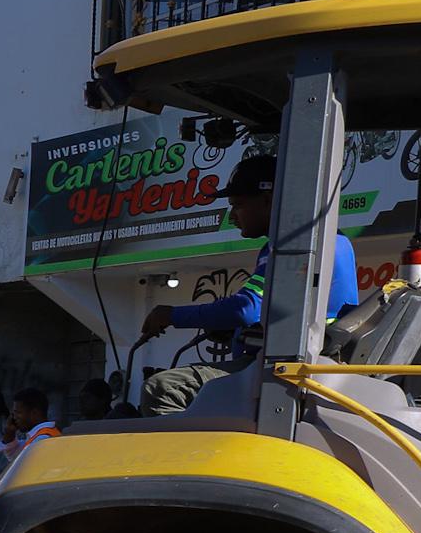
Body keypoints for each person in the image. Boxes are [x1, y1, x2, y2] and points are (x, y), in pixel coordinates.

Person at [137, 153, 359, 415]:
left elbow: (245, 309)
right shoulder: (330, 240)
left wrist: (170, 314)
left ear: (268, 199)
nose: (233, 217)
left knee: (162, 388)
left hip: (283, 370)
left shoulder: (296, 245)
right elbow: (278, 312)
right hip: (296, 364)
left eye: (238, 205)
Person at [0, 386, 60, 458]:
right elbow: (14, 457)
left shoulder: (42, 440)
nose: (14, 417)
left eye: (18, 412)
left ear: (34, 413)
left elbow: (20, 463)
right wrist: (9, 433)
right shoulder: (39, 436)